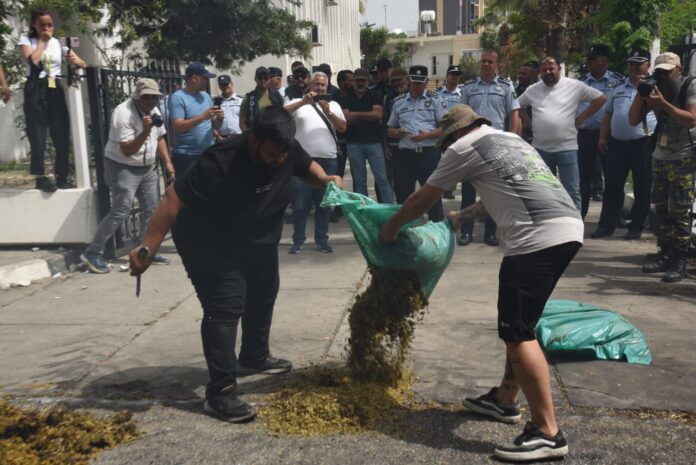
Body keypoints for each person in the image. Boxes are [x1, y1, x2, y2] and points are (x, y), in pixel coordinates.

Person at [379, 104, 582, 462]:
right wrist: (464, 215)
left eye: (445, 142)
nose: (446, 149)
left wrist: (391, 228)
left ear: (455, 133)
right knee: (521, 323)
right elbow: (502, 195)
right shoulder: (510, 141)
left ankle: (547, 432)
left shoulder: (463, 146)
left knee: (517, 332)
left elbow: (423, 197)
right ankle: (505, 398)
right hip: (566, 228)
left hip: (535, 238)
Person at [129, 106, 344, 423]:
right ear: (254, 140)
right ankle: (221, 393)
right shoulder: (219, 161)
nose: (279, 161)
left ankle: (254, 356)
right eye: (271, 155)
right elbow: (172, 199)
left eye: (283, 154)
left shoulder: (284, 146)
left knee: (264, 290)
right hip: (209, 240)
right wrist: (148, 249)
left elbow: (305, 165)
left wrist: (325, 179)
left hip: (256, 236)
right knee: (225, 304)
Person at [80, 79, 174, 273]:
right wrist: (145, 131)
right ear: (137, 97)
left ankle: (143, 251)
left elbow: (160, 137)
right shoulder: (123, 114)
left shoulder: (154, 111)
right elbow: (128, 150)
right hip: (123, 166)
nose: (151, 101)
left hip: (147, 166)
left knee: (152, 209)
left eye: (154, 97)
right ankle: (93, 252)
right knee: (121, 210)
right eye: (146, 98)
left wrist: (167, 162)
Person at [629, 52, 696, 283]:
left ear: (679, 70)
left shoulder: (689, 86)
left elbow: (691, 119)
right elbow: (633, 120)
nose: (664, 77)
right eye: (659, 72)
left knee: (679, 211)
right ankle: (665, 254)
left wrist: (663, 104)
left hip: (684, 157)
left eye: (668, 72)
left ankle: (680, 260)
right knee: (662, 210)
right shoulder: (656, 89)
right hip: (660, 156)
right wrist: (641, 94)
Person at [517, 56, 607, 212]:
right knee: (544, 193)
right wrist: (529, 123)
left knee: (572, 191)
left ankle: (575, 224)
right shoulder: (533, 90)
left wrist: (580, 119)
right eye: (544, 70)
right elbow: (516, 105)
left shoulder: (574, 86)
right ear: (540, 72)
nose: (548, 72)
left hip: (566, 148)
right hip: (541, 149)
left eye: (551, 68)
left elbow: (600, 98)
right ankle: (549, 222)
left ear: (559, 69)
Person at [18, 6, 87, 192]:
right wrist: (42, 41)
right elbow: (33, 61)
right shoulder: (27, 40)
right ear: (34, 24)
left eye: (50, 25)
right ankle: (40, 176)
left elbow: (82, 63)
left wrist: (76, 61)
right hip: (35, 85)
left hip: (54, 85)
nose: (47, 28)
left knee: (61, 131)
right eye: (42, 25)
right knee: (37, 132)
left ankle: (62, 175)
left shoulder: (59, 43)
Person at [592, 49, 656, 241]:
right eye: (631, 63)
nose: (634, 67)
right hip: (618, 144)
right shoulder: (618, 87)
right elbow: (608, 113)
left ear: (648, 65)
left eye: (639, 64)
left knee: (642, 186)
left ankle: (636, 227)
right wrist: (602, 137)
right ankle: (606, 226)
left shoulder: (654, 87)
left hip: (643, 144)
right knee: (612, 186)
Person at [459, 50, 520, 246]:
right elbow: (461, 116)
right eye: (483, 61)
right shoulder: (468, 87)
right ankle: (466, 232)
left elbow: (514, 115)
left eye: (490, 62)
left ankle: (490, 233)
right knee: (468, 192)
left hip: (496, 145)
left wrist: (511, 140)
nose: (486, 64)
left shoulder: (506, 86)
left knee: (493, 193)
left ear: (497, 65)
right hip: (473, 145)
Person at [285, 72, 346, 254]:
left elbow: (343, 127)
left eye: (323, 84)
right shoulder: (298, 102)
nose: (319, 88)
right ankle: (298, 241)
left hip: (328, 161)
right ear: (310, 86)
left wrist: (328, 112)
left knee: (324, 204)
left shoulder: (333, 105)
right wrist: (303, 102)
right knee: (300, 205)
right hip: (303, 162)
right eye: (316, 84)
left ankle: (322, 240)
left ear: (327, 86)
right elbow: (281, 114)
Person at [387, 65, 447, 221]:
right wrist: (396, 133)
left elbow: (445, 127)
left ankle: (437, 229)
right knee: (404, 196)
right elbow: (389, 129)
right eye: (414, 82)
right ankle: (404, 229)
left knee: (432, 196)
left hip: (428, 154)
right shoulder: (399, 102)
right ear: (408, 80)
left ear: (426, 82)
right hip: (406, 156)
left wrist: (426, 135)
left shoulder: (435, 99)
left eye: (420, 82)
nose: (416, 86)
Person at [577, 44, 625, 217]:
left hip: (609, 136)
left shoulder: (618, 81)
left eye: (592, 59)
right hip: (585, 135)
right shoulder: (581, 82)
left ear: (603, 61)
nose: (588, 62)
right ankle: (580, 214)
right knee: (582, 177)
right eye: (588, 59)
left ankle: (612, 217)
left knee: (613, 177)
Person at [342, 67, 394, 203]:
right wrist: (367, 115)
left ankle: (389, 208)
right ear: (354, 81)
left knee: (382, 179)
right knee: (359, 181)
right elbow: (347, 119)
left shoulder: (375, 95)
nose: (360, 83)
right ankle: (364, 209)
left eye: (363, 80)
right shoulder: (346, 98)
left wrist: (356, 114)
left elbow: (378, 115)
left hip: (374, 143)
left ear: (367, 81)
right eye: (357, 80)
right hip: (353, 143)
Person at [169, 62, 222, 176]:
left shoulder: (206, 96)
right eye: (205, 78)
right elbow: (178, 126)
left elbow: (214, 127)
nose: (207, 81)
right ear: (194, 78)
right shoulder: (178, 97)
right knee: (186, 187)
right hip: (186, 156)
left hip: (207, 153)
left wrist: (219, 119)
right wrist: (202, 116)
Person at [437, 64, 463, 200]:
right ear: (447, 76)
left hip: (457, 132)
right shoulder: (437, 93)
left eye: (457, 75)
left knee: (454, 162)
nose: (455, 77)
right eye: (453, 75)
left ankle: (449, 189)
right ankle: (439, 187)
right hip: (441, 131)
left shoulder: (462, 93)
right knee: (440, 162)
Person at [239, 66, 284, 132]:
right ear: (255, 79)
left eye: (266, 78)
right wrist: (249, 135)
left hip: (274, 135)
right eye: (260, 78)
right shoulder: (248, 99)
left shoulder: (278, 97)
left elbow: (284, 118)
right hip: (255, 135)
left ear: (269, 79)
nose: (263, 81)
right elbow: (242, 123)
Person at [515, 60, 539, 144]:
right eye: (519, 73)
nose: (520, 76)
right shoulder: (514, 91)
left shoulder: (540, 92)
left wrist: (530, 124)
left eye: (524, 74)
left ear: (533, 76)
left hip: (537, 137)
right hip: (519, 137)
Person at [214, 75, 243, 140]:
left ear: (232, 84)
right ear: (219, 86)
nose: (224, 87)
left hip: (239, 137)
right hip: (221, 138)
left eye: (226, 84)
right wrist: (218, 137)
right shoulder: (216, 102)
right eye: (222, 85)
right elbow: (212, 122)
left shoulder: (241, 100)